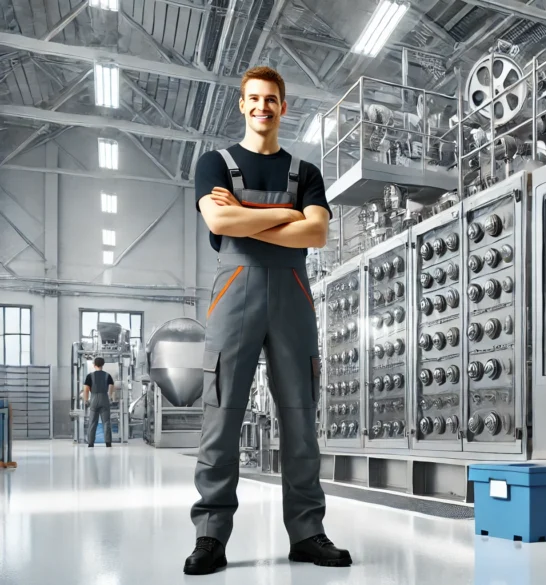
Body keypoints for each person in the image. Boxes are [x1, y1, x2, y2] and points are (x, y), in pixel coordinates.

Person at [184, 66, 351, 575]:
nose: (262, 106)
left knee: (301, 419)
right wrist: (289, 218)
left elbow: (318, 235)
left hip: (293, 295)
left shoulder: (307, 172)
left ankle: (307, 532)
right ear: (242, 105)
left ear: (283, 107)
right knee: (223, 416)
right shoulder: (215, 163)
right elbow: (219, 221)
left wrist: (249, 215)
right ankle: (211, 535)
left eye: (271, 99)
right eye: (253, 98)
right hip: (234, 292)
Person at [83, 357, 115, 448]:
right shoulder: (107, 375)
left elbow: (85, 389)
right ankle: (108, 443)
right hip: (104, 398)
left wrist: (86, 400)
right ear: (103, 364)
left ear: (94, 365)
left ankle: (90, 443)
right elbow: (112, 386)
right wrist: (109, 395)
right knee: (106, 422)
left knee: (92, 422)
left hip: (93, 398)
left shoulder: (90, 376)